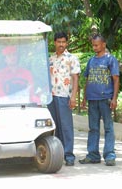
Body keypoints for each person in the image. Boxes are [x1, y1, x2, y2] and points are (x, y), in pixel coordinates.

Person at [79, 34, 119, 166]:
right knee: (93, 128)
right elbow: (87, 80)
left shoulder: (110, 60)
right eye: (93, 45)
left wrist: (114, 98)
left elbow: (116, 79)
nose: (94, 47)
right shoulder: (91, 61)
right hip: (92, 99)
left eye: (97, 45)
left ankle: (109, 155)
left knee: (108, 127)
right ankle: (93, 155)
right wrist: (84, 98)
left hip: (105, 99)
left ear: (103, 44)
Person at [47, 32, 80, 166]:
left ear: (66, 43)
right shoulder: (51, 59)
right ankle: (58, 154)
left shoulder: (71, 58)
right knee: (55, 127)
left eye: (63, 42)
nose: (61, 44)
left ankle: (69, 156)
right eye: (59, 42)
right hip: (52, 96)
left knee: (66, 127)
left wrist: (73, 97)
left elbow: (76, 78)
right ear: (54, 42)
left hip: (64, 96)